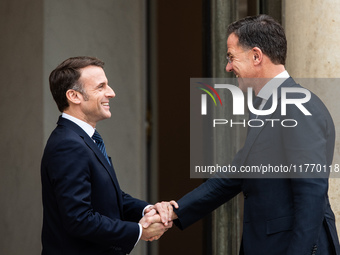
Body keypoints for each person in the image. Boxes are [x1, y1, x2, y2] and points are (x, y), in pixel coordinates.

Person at [151, 14, 340, 254]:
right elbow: (233, 176)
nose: (228, 67)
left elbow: (311, 192)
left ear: (256, 56)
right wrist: (175, 210)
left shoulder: (297, 106)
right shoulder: (270, 106)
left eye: (231, 57)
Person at [41, 56, 177, 255]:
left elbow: (108, 197)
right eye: (100, 87)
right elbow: (79, 219)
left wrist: (148, 210)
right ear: (74, 96)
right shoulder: (68, 145)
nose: (111, 93)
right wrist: (140, 231)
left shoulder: (82, 139)